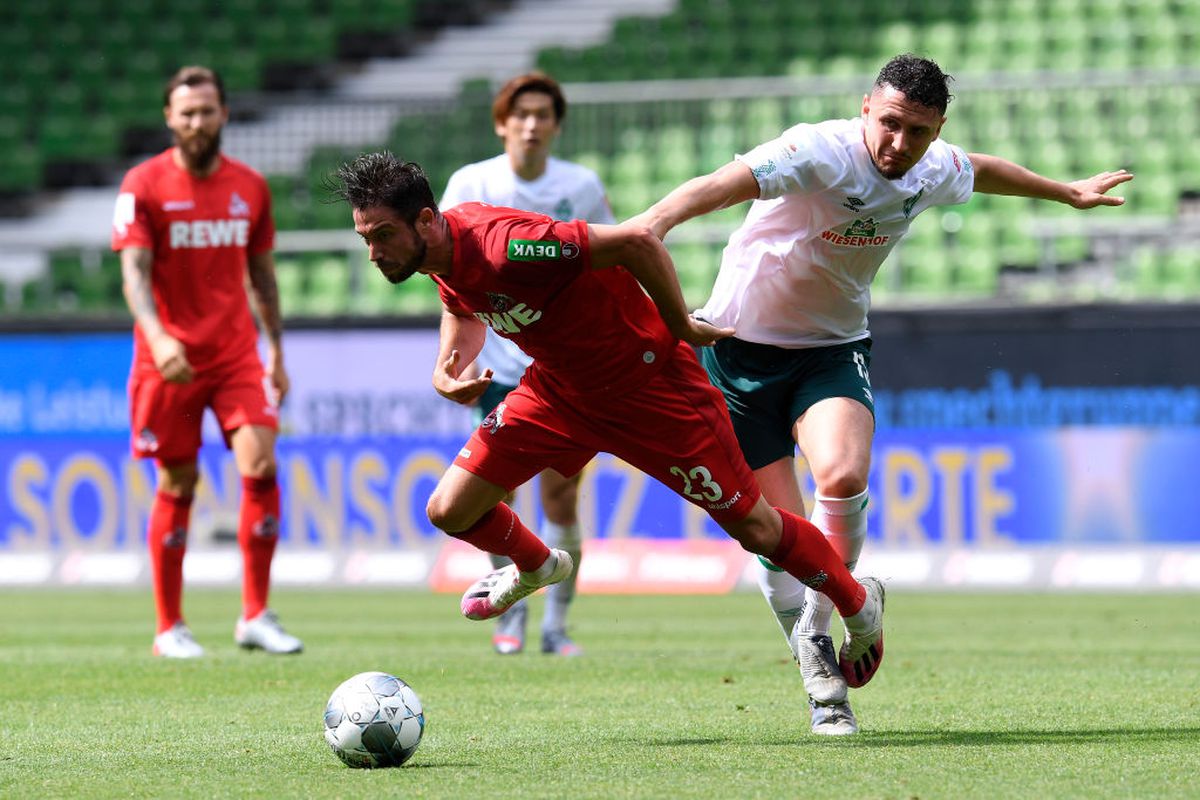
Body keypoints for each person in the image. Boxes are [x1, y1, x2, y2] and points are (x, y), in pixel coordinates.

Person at [630, 53, 1133, 735]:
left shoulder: (932, 167)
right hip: (736, 353)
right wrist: (653, 223)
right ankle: (832, 655)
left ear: (937, 130)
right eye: (890, 123)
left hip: (832, 351)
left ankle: (825, 653)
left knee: (841, 476)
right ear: (866, 108)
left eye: (918, 131)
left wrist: (1065, 193)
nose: (899, 143)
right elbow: (724, 184)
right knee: (776, 543)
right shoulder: (818, 151)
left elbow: (981, 169)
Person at [329, 151, 888, 693]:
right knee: (449, 509)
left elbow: (636, 242)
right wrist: (447, 364)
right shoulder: (437, 255)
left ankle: (859, 605)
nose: (374, 253)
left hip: (651, 388)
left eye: (383, 235)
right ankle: (536, 566)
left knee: (758, 530)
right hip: (558, 393)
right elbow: (461, 304)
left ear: (426, 220)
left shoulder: (508, 246)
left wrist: (680, 324)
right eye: (365, 239)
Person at [112, 66, 303, 658]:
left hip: (235, 355)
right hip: (167, 361)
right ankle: (169, 626)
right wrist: (158, 338)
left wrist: (275, 350)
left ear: (225, 114)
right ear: (169, 118)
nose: (198, 121)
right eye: (187, 112)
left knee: (261, 463)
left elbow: (262, 275)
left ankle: (256, 615)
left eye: (207, 110)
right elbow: (134, 274)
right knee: (179, 480)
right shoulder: (142, 185)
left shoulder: (251, 187)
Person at [439, 71, 614, 657]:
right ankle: (510, 615)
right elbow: (448, 279)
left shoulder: (580, 185)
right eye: (521, 115)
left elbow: (609, 258)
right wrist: (457, 358)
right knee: (494, 498)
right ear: (502, 124)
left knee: (560, 497)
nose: (532, 125)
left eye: (543, 115)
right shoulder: (471, 182)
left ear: (557, 126)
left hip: (566, 371)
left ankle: (556, 626)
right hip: (498, 369)